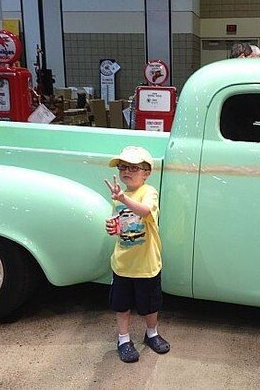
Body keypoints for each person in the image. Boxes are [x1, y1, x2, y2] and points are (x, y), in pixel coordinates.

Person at [104, 146, 170, 363]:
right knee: (121, 305)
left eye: (133, 168)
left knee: (150, 304)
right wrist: (113, 228)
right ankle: (123, 339)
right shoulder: (118, 197)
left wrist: (123, 198)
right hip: (123, 264)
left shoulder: (148, 192)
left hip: (146, 264)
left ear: (146, 173)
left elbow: (145, 211)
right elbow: (122, 225)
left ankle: (152, 333)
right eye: (123, 167)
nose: (126, 171)